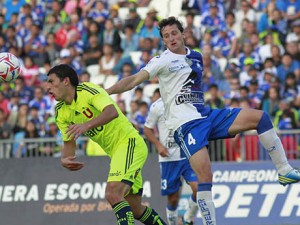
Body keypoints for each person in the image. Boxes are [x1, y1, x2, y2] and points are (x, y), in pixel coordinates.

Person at [106, 17, 300, 225]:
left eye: (174, 33)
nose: (171, 38)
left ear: (183, 34)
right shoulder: (161, 60)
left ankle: (284, 170)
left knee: (261, 117)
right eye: (166, 36)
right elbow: (134, 80)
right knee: (205, 179)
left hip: (205, 115)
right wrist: (106, 91)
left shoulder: (196, 57)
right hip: (186, 125)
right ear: (163, 41)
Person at [46, 64, 166, 225]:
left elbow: (112, 111)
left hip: (129, 143)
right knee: (136, 209)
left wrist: (86, 125)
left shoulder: (87, 91)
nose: (48, 87)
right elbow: (69, 142)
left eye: (51, 82)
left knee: (113, 193)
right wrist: (65, 158)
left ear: (66, 81)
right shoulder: (61, 112)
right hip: (116, 153)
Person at [144, 98, 198, 225]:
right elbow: (147, 129)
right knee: (173, 199)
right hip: (169, 159)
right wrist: (158, 145)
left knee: (198, 189)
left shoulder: (186, 100)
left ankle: (187, 219)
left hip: (187, 155)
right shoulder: (157, 106)